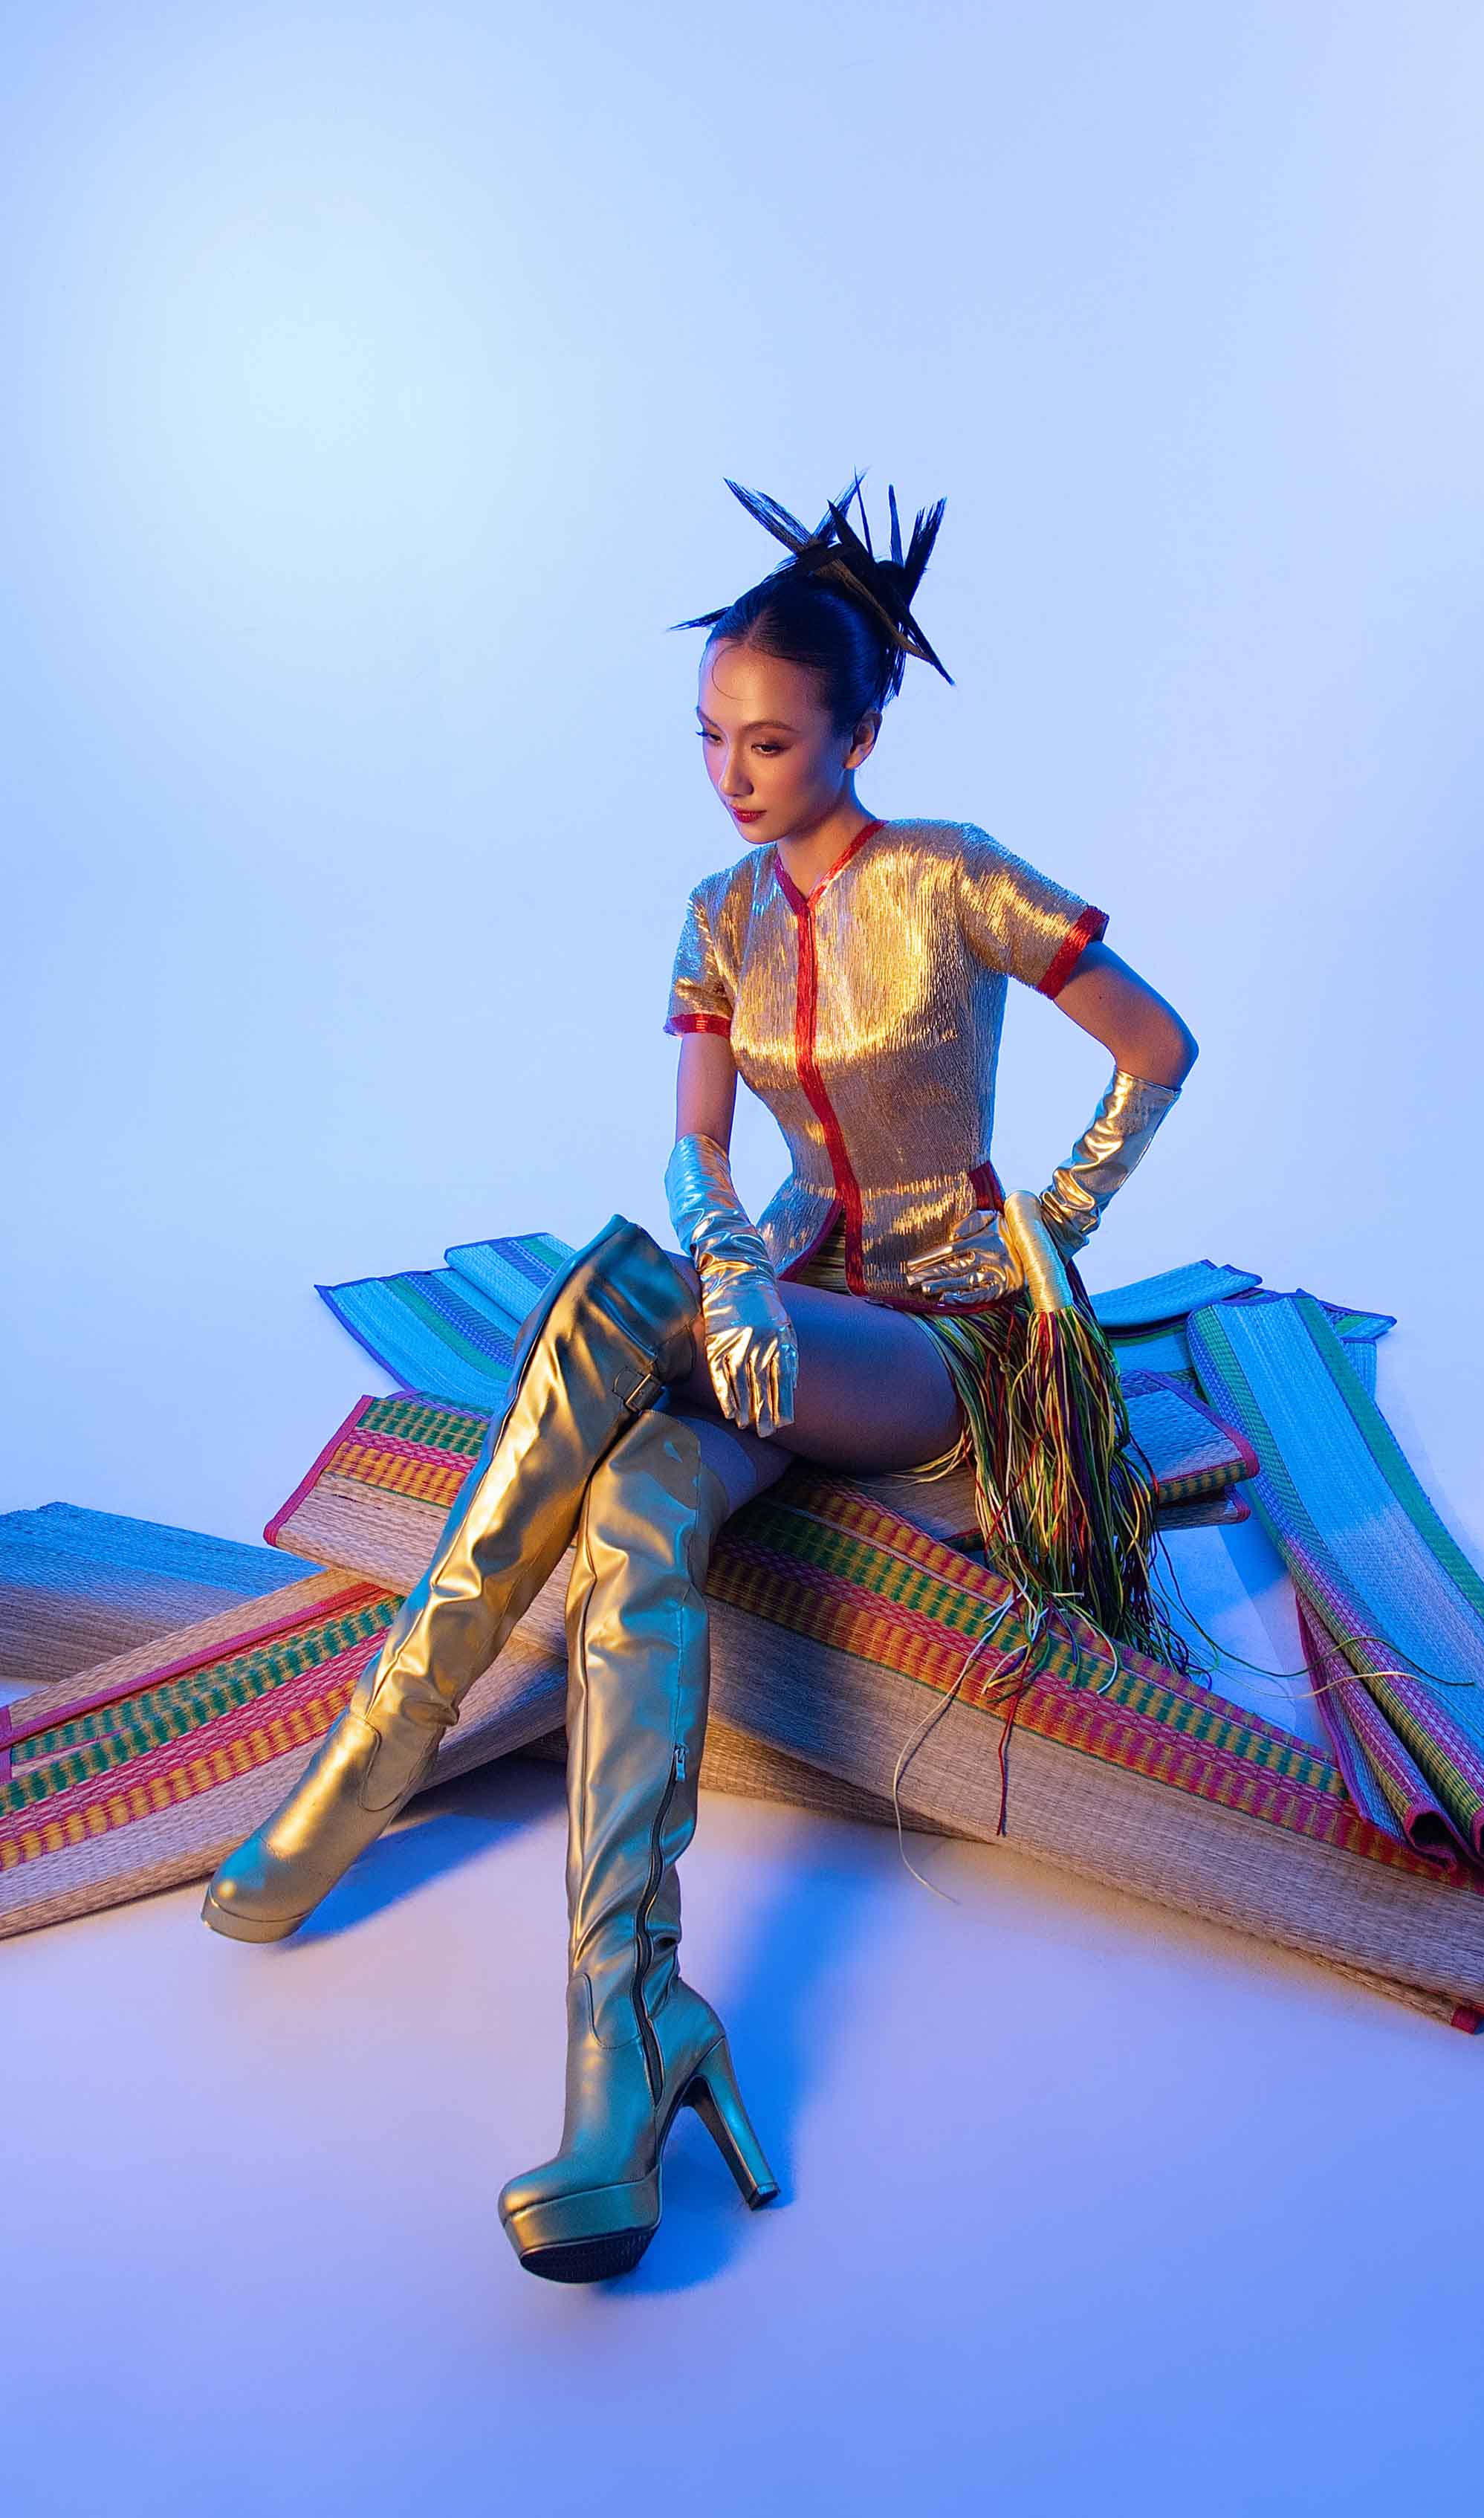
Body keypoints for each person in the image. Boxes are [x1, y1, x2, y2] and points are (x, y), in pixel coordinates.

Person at [200, 477, 1199, 2284]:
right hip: (772, 1321)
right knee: (641, 1500)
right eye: (711, 739)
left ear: (860, 734)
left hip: (934, 1351)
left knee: (614, 1299)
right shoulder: (716, 910)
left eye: (772, 741)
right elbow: (696, 1147)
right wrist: (732, 1264)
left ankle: (374, 1748)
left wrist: (1045, 1237)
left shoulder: (954, 873)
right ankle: (629, 2028)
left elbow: (1156, 1041)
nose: (734, 774)